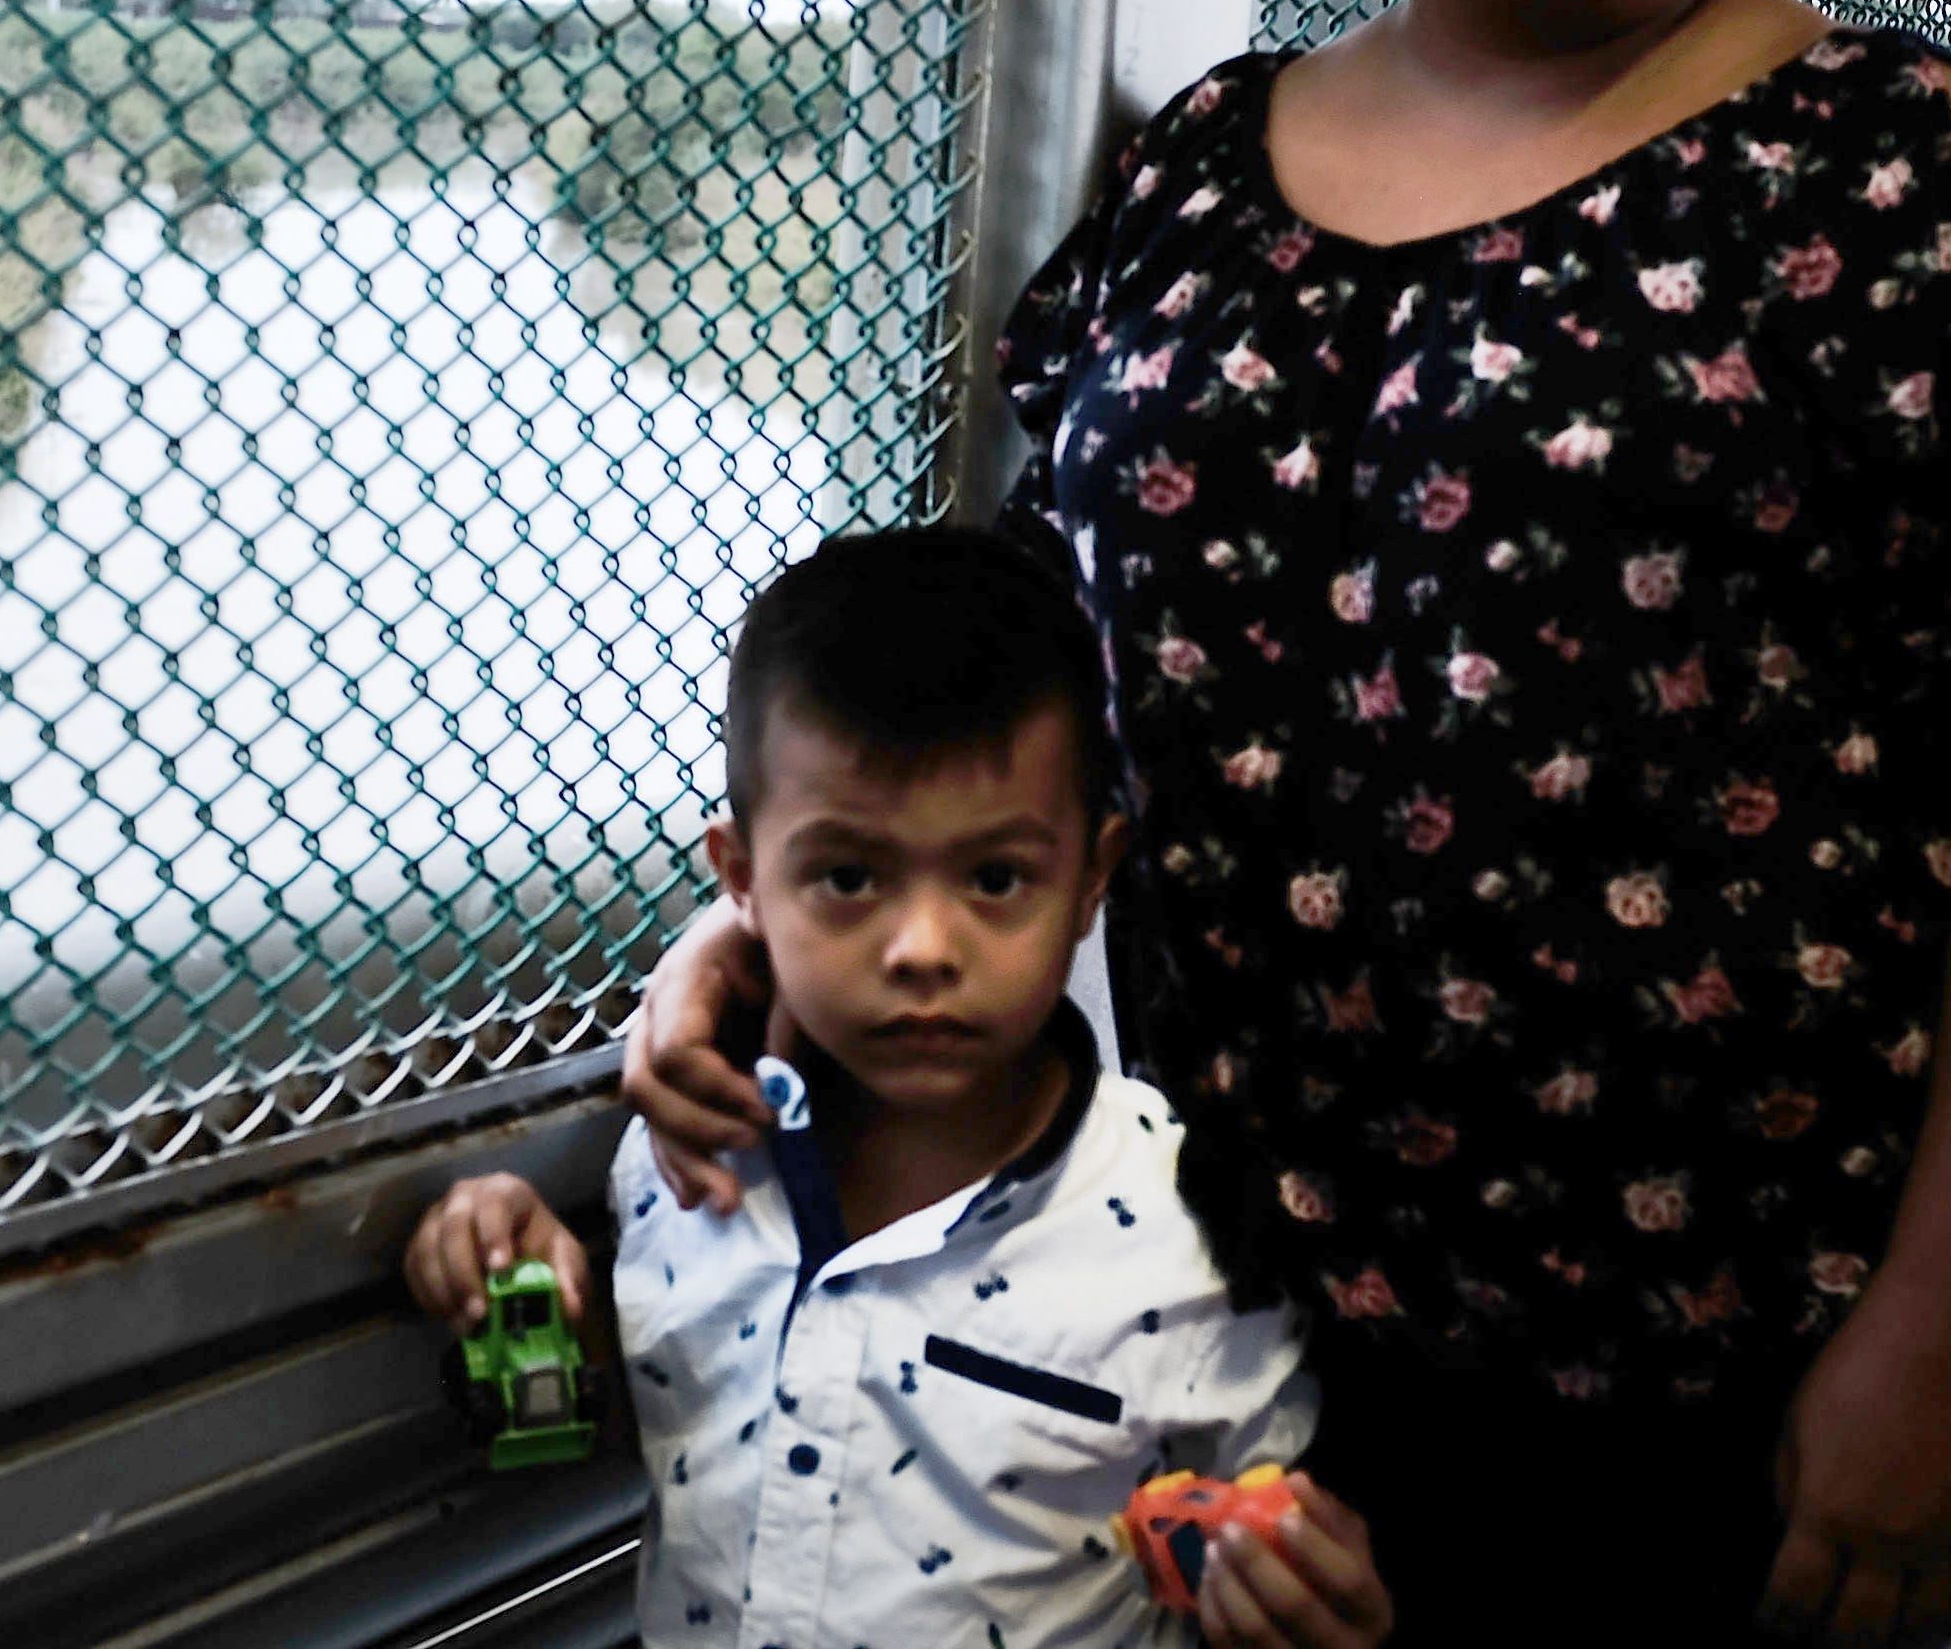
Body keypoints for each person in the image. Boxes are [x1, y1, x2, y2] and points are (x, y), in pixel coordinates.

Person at [622, 0, 1951, 1639]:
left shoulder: (1899, 167)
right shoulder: (1196, 173)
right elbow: (1009, 676)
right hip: (1204, 1327)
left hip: (1714, 1387)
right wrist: (771, 926)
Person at [406, 529, 1395, 1647]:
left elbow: (1256, 1542)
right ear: (741, 881)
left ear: (1091, 882)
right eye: (847, 875)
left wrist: (1309, 1603)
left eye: (994, 877)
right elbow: (664, 1429)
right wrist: (530, 1284)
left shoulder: (1192, 1229)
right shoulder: (676, 1168)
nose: (923, 946)